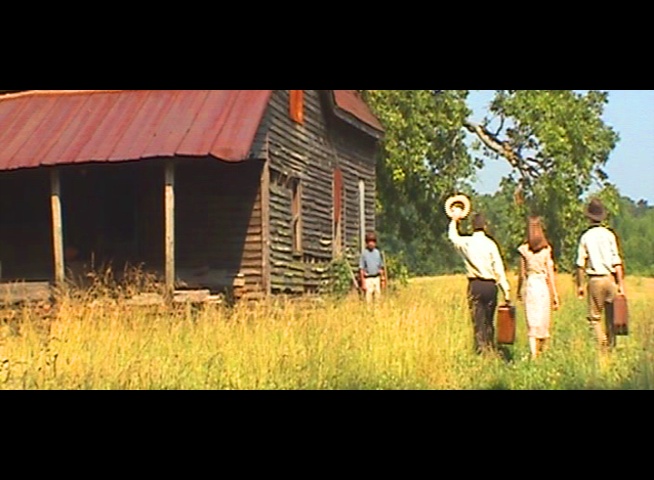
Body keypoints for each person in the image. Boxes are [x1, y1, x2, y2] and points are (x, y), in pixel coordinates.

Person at [448, 211, 511, 354]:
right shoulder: (491, 244)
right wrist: (506, 290)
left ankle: (481, 349)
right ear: (485, 226)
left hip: (475, 285)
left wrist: (454, 220)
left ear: (472, 226)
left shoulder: (467, 242)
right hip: (490, 286)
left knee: (478, 319)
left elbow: (453, 237)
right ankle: (490, 347)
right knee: (489, 319)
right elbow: (498, 268)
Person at [576, 198, 626, 351]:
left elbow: (580, 264)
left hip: (595, 279)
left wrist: (580, 285)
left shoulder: (586, 236)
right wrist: (621, 285)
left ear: (589, 217)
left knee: (594, 318)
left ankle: (602, 345)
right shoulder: (609, 235)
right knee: (612, 317)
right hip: (610, 278)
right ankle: (611, 347)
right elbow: (617, 262)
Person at [517, 217, 560, 359]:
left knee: (532, 319)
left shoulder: (524, 250)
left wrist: (519, 291)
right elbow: (550, 274)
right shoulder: (546, 250)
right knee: (543, 318)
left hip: (531, 284)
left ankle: (533, 354)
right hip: (542, 285)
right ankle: (543, 352)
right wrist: (555, 294)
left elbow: (522, 274)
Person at [358, 232, 386, 304]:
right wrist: (363, 283)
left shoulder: (377, 253)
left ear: (375, 243)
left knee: (378, 298)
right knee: (368, 299)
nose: (371, 244)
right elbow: (361, 269)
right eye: (369, 241)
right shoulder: (364, 254)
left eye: (373, 242)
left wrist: (382, 279)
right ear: (366, 243)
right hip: (368, 279)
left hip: (376, 278)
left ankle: (377, 310)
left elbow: (381, 267)